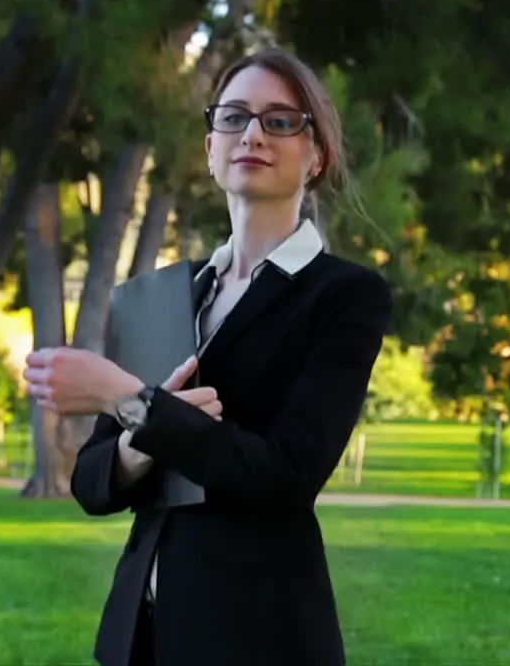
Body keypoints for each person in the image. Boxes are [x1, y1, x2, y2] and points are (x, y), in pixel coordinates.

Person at [23, 47, 393, 666]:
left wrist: (127, 399)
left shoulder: (345, 296)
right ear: (210, 146)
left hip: (258, 635)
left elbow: (286, 476)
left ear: (317, 156)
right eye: (233, 117)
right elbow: (92, 485)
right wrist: (145, 426)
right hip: (139, 636)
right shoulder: (171, 292)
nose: (252, 133)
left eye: (280, 120)